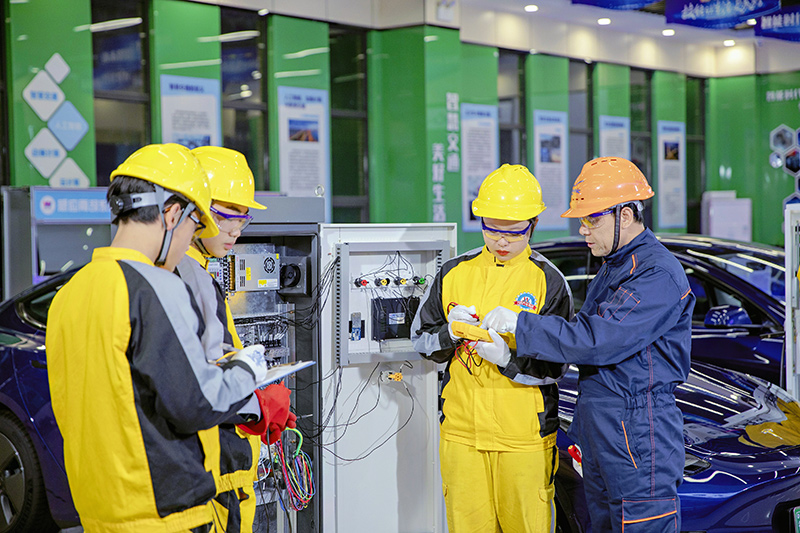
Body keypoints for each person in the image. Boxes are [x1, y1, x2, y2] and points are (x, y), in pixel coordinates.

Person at [47, 143, 272, 532]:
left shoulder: (70, 292)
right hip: (163, 512)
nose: (191, 241)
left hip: (100, 508)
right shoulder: (153, 287)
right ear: (171, 213)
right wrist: (247, 371)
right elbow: (195, 402)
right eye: (193, 225)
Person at [481, 156, 694, 532]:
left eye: (593, 219)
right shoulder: (616, 264)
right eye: (583, 219)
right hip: (609, 436)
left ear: (626, 215)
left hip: (639, 438)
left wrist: (522, 325)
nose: (583, 229)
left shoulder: (655, 273)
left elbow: (599, 340)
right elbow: (585, 334)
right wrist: (510, 355)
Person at [411, 163, 573, 532]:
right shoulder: (454, 272)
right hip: (461, 435)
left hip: (525, 440)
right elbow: (420, 341)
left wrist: (508, 360)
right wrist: (449, 334)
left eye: (513, 232)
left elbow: (559, 363)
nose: (501, 240)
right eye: (492, 229)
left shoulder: (548, 280)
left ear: (532, 224)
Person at [178, 145, 296, 532]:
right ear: (192, 209)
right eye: (224, 216)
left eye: (242, 219)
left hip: (223, 465)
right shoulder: (187, 279)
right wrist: (257, 404)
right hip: (214, 471)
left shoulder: (200, 273)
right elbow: (197, 386)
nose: (234, 230)